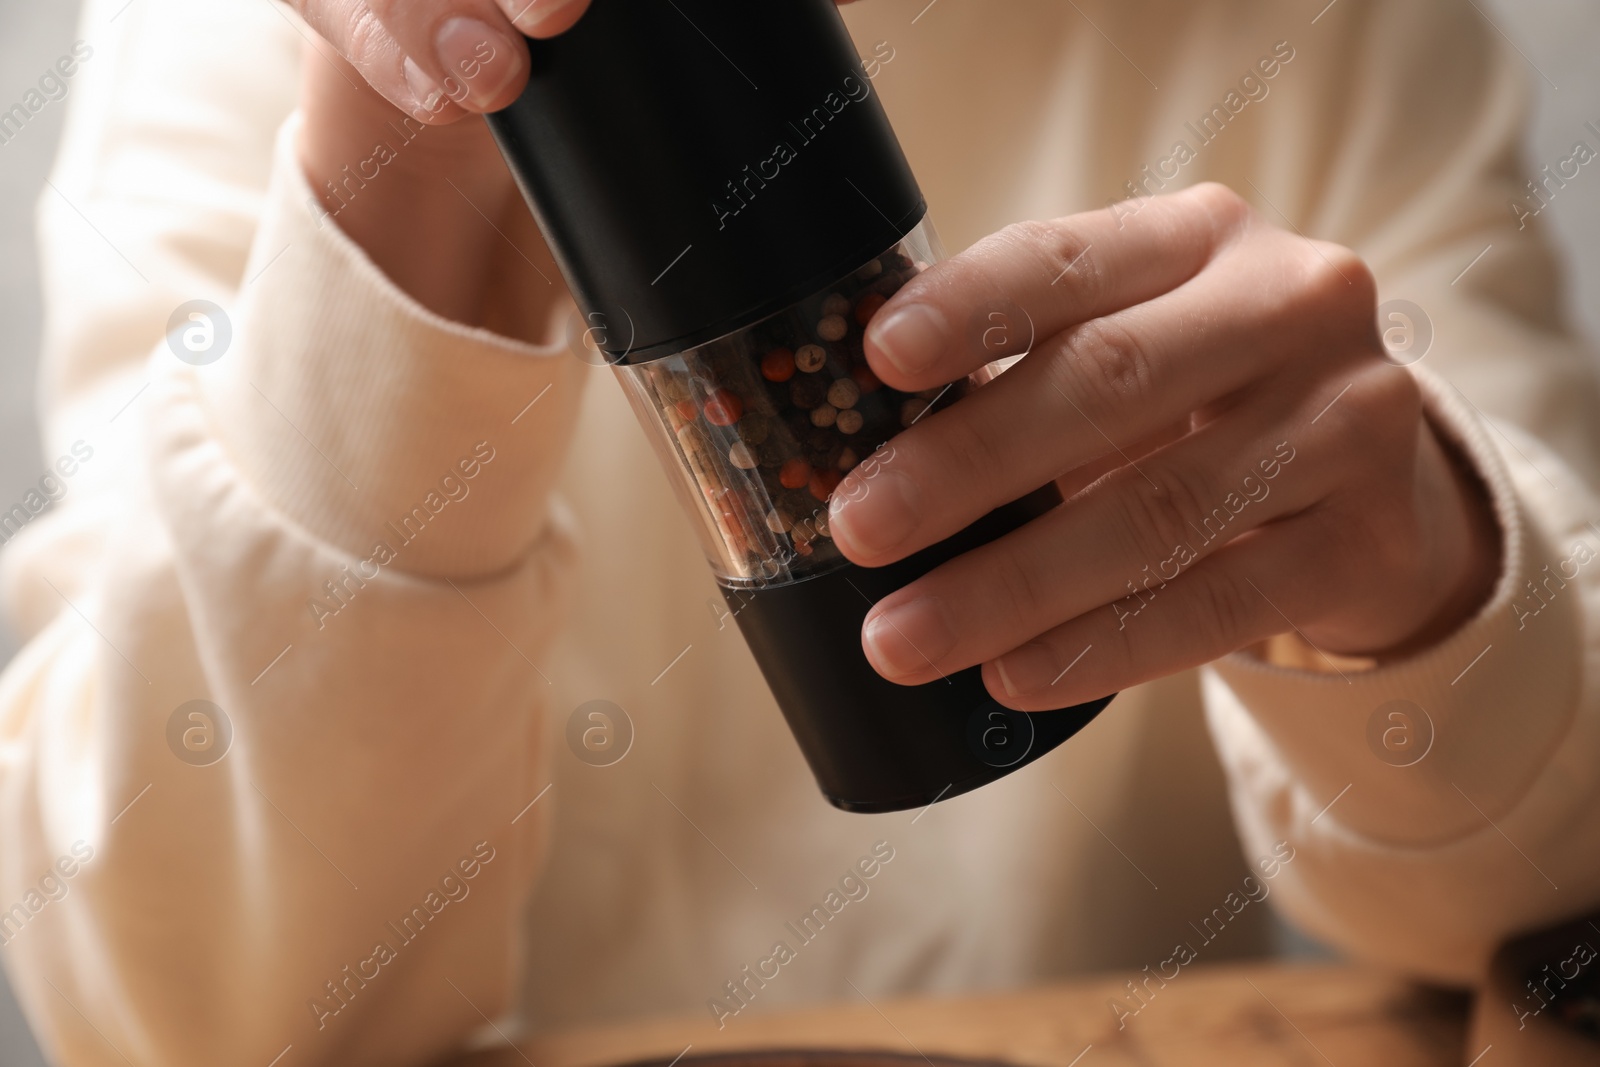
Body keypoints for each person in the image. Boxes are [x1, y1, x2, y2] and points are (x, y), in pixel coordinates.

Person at [3, 0, 1598, 1062]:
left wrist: (1433, 580)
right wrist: (391, 222)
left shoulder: (1334, 28)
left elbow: (1561, 897)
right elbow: (194, 1015)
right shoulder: (245, 29)